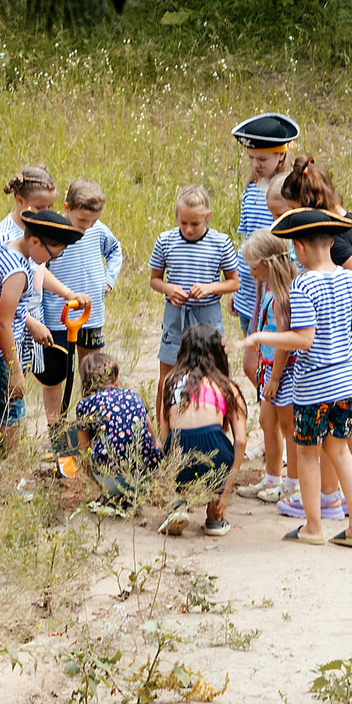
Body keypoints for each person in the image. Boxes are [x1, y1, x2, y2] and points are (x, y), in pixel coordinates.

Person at [242, 207, 352, 548]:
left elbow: (303, 339)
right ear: (332, 241)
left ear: (298, 247)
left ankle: (313, 527)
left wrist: (260, 338)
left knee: (309, 454)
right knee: (341, 452)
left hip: (313, 387)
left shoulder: (302, 285)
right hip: (347, 382)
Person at [276, 155, 352, 521]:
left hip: (329, 330)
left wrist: (342, 279)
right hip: (347, 328)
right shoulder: (351, 219)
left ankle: (329, 498)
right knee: (348, 423)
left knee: (327, 432)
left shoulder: (330, 238)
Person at [0, 207, 85, 460]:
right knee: (14, 412)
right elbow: (3, 324)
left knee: (4, 409)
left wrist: (32, 323)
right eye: (52, 254)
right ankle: (5, 474)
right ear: (34, 241)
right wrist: (15, 372)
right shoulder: (18, 272)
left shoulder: (3, 242)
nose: (51, 261)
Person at [231, 113, 299, 493]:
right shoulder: (249, 190)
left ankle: (283, 452)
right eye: (252, 158)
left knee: (276, 378)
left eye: (264, 158)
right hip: (254, 290)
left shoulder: (283, 192)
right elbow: (246, 242)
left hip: (277, 293)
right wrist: (242, 292)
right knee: (255, 368)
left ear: (281, 156)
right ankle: (269, 435)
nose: (257, 165)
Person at [39, 178, 124, 429]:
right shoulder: (53, 228)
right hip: (57, 317)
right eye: (82, 221)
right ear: (66, 207)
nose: (87, 227)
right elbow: (39, 267)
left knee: (93, 371)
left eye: (93, 221)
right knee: (55, 377)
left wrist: (108, 280)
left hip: (91, 315)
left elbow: (115, 251)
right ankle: (57, 430)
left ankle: (91, 425)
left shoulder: (99, 230)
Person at [148, 186, 241, 397]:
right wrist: (169, 289)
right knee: (169, 374)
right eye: (183, 223)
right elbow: (155, 279)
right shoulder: (165, 240)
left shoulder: (220, 242)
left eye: (195, 224)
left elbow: (234, 283)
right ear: (177, 216)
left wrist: (210, 288)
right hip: (176, 314)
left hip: (208, 314)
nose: (189, 229)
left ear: (207, 217)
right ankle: (166, 427)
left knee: (214, 371)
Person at [155, 325, 246, 538]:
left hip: (180, 455)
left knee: (174, 443)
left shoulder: (170, 381)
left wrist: (171, 476)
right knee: (220, 449)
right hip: (215, 454)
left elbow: (164, 433)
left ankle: (177, 503)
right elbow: (241, 440)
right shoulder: (227, 387)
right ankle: (215, 514)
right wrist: (225, 494)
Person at [237, 230, 299, 506]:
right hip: (269, 368)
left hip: (282, 371)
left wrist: (274, 378)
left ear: (268, 263)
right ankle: (272, 477)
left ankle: (292, 483)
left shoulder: (283, 297)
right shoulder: (269, 292)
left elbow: (285, 343)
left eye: (253, 265)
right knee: (266, 421)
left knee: (289, 426)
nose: (250, 272)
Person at [69, 350, 161, 516]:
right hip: (144, 474)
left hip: (110, 478)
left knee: (88, 449)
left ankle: (108, 494)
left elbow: (82, 451)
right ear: (116, 379)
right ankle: (134, 494)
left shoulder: (85, 405)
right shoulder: (133, 395)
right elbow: (152, 436)